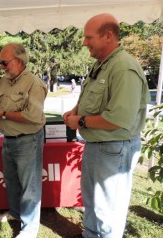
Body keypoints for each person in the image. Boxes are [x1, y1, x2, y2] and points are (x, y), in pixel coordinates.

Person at [63, 13, 150, 238]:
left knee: (108, 212)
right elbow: (93, 99)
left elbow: (119, 119)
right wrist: (76, 110)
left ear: (108, 36)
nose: (84, 42)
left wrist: (80, 121)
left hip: (114, 148)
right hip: (98, 146)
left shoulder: (123, 68)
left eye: (88, 37)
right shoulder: (102, 64)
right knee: (92, 206)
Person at [0, 43, 47, 238]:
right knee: (12, 182)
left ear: (20, 61)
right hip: (8, 140)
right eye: (0, 62)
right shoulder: (3, 81)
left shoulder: (34, 83)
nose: (1, 66)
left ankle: (29, 230)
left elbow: (33, 116)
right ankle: (15, 213)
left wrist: (3, 114)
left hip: (28, 141)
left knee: (29, 188)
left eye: (4, 62)